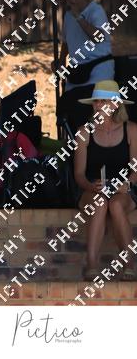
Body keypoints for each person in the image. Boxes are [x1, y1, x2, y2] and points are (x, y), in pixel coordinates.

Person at [74, 81, 137, 281]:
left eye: (104, 101)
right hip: (92, 189)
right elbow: (79, 175)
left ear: (116, 104)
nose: (99, 105)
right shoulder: (84, 132)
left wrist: (127, 184)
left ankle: (128, 265)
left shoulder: (131, 129)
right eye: (96, 101)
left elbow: (135, 169)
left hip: (124, 190)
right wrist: (91, 186)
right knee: (100, 202)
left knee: (116, 205)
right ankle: (92, 265)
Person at [54, 0, 113, 131]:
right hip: (77, 71)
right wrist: (61, 61)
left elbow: (98, 37)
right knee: (66, 106)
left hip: (98, 69)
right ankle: (74, 141)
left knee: (89, 107)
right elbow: (66, 42)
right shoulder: (68, 16)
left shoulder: (96, 11)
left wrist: (79, 18)